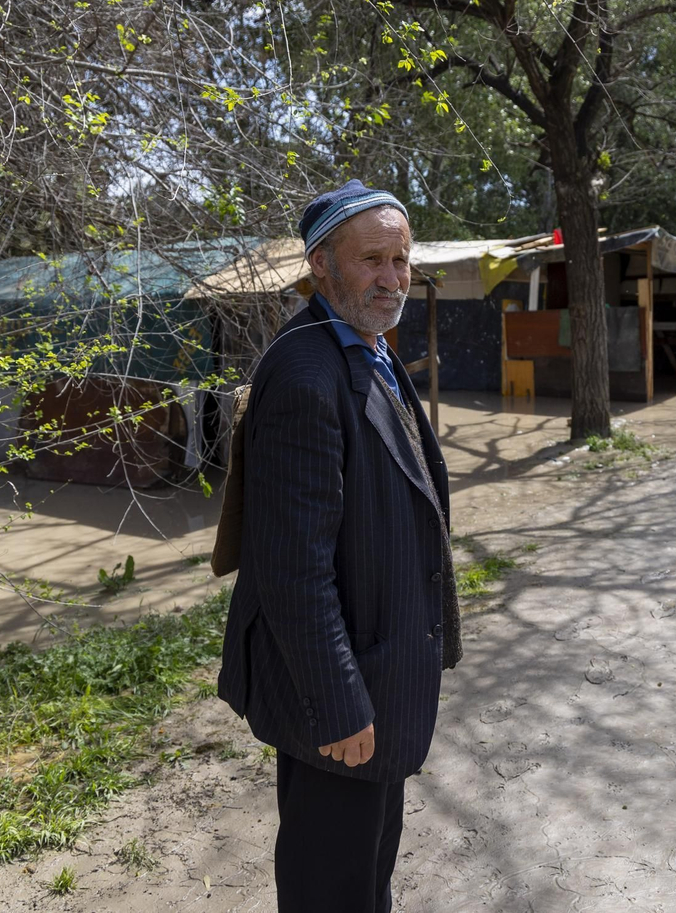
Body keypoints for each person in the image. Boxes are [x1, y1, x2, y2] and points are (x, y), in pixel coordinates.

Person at [218, 180, 462, 912]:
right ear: (321, 265)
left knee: (366, 876)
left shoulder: (363, 345)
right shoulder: (305, 372)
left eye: (402, 260)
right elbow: (293, 570)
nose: (392, 279)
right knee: (333, 887)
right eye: (372, 261)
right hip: (340, 692)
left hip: (378, 665)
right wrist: (339, 705)